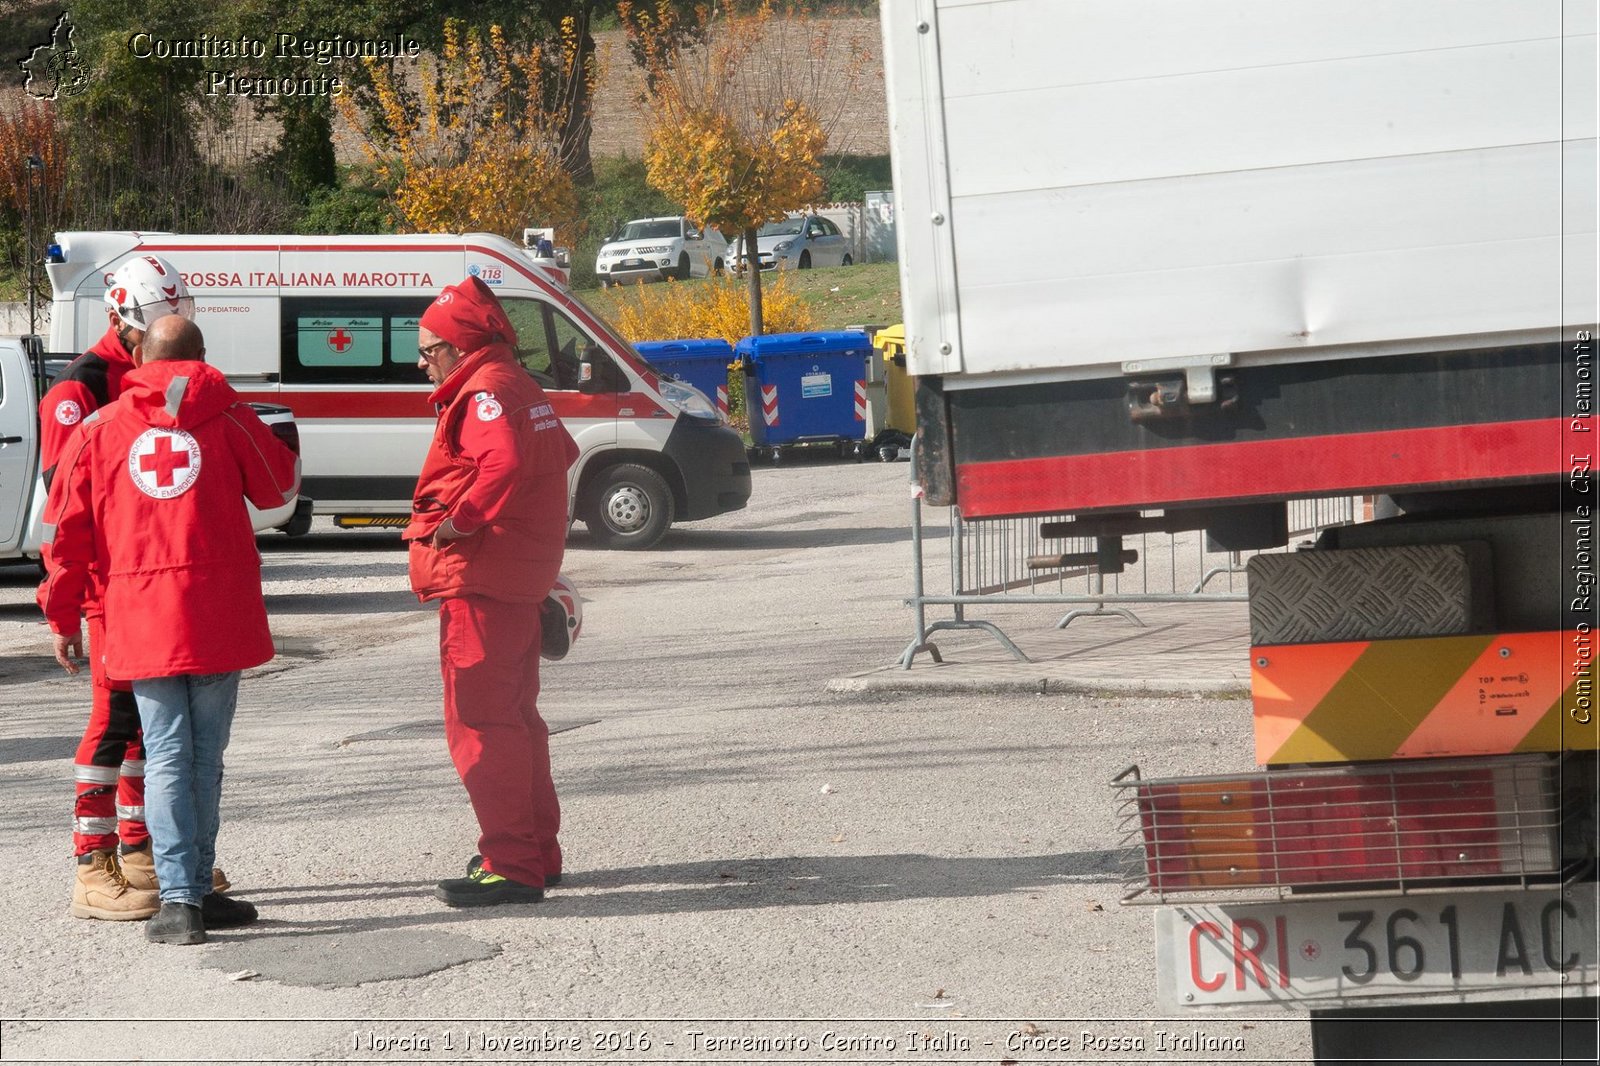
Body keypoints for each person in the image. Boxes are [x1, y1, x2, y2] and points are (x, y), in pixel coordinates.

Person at [39, 315, 301, 945]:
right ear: (203, 358)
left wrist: (62, 612)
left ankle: (180, 900)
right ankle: (195, 891)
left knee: (164, 756)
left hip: (141, 616)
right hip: (217, 613)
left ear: (137, 360)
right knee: (205, 759)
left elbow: (64, 532)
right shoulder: (229, 415)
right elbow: (277, 489)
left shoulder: (100, 429)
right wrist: (233, 411)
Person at [37, 255, 225, 920]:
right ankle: (92, 863)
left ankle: (146, 847)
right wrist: (61, 610)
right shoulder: (78, 394)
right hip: (106, 590)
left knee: (152, 730)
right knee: (113, 725)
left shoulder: (149, 377)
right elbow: (66, 510)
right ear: (124, 323)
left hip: (153, 586)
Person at [403, 276, 578, 907]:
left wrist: (462, 521)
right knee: (518, 720)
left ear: (459, 345)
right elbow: (557, 454)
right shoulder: (513, 383)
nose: (420, 361)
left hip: (484, 578)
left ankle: (512, 864)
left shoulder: (482, 393)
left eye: (428, 349)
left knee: (482, 722)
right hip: (515, 576)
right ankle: (536, 851)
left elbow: (501, 462)